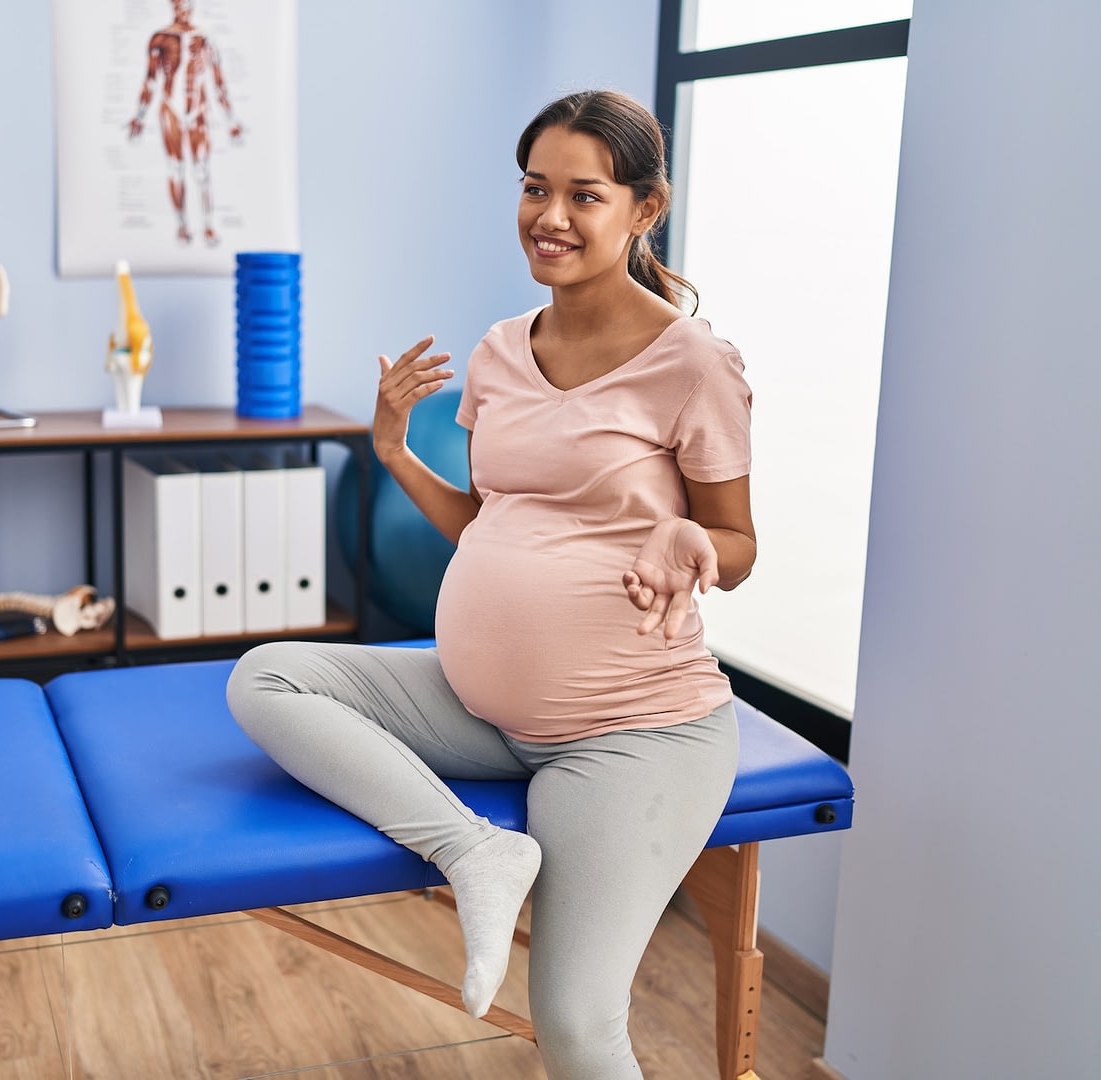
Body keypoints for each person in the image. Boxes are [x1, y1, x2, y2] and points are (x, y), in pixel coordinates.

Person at [226, 88, 755, 1079]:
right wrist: (393, 452)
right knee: (265, 677)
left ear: (645, 209)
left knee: (574, 1020)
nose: (549, 217)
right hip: (481, 710)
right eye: (533, 187)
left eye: (584, 196)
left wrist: (688, 537)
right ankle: (474, 852)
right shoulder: (501, 351)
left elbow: (737, 542)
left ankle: (494, 862)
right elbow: (489, 523)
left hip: (632, 732)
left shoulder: (694, 365)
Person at [127, 0, 243, 246]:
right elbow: (150, 80)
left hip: (197, 111)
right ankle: (181, 225)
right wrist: (139, 115)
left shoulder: (204, 39)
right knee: (176, 170)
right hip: (171, 110)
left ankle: (208, 225)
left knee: (202, 171)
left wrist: (230, 119)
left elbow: (218, 82)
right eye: (180, 3)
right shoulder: (160, 38)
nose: (184, 7)